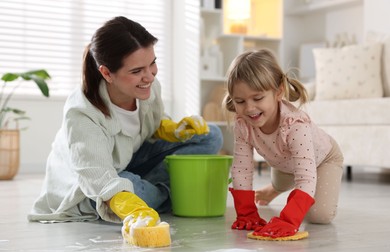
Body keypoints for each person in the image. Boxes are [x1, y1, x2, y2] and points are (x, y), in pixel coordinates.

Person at [28, 16, 223, 226]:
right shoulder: (82, 113)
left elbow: (152, 124)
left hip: (131, 161)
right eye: (137, 71)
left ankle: (157, 194)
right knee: (124, 185)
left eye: (152, 63)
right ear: (107, 73)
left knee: (210, 135)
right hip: (91, 188)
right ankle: (169, 193)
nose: (149, 76)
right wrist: (127, 197)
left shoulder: (148, 86)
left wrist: (170, 129)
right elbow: (97, 178)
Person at [223, 49, 344, 238]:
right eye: (240, 101)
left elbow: (305, 177)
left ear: (278, 91)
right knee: (281, 180)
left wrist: (289, 219)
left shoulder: (295, 126)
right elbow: (242, 169)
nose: (249, 108)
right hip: (283, 161)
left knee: (319, 215)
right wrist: (246, 213)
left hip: (322, 159)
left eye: (257, 98)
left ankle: (275, 188)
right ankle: (275, 189)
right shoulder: (243, 124)